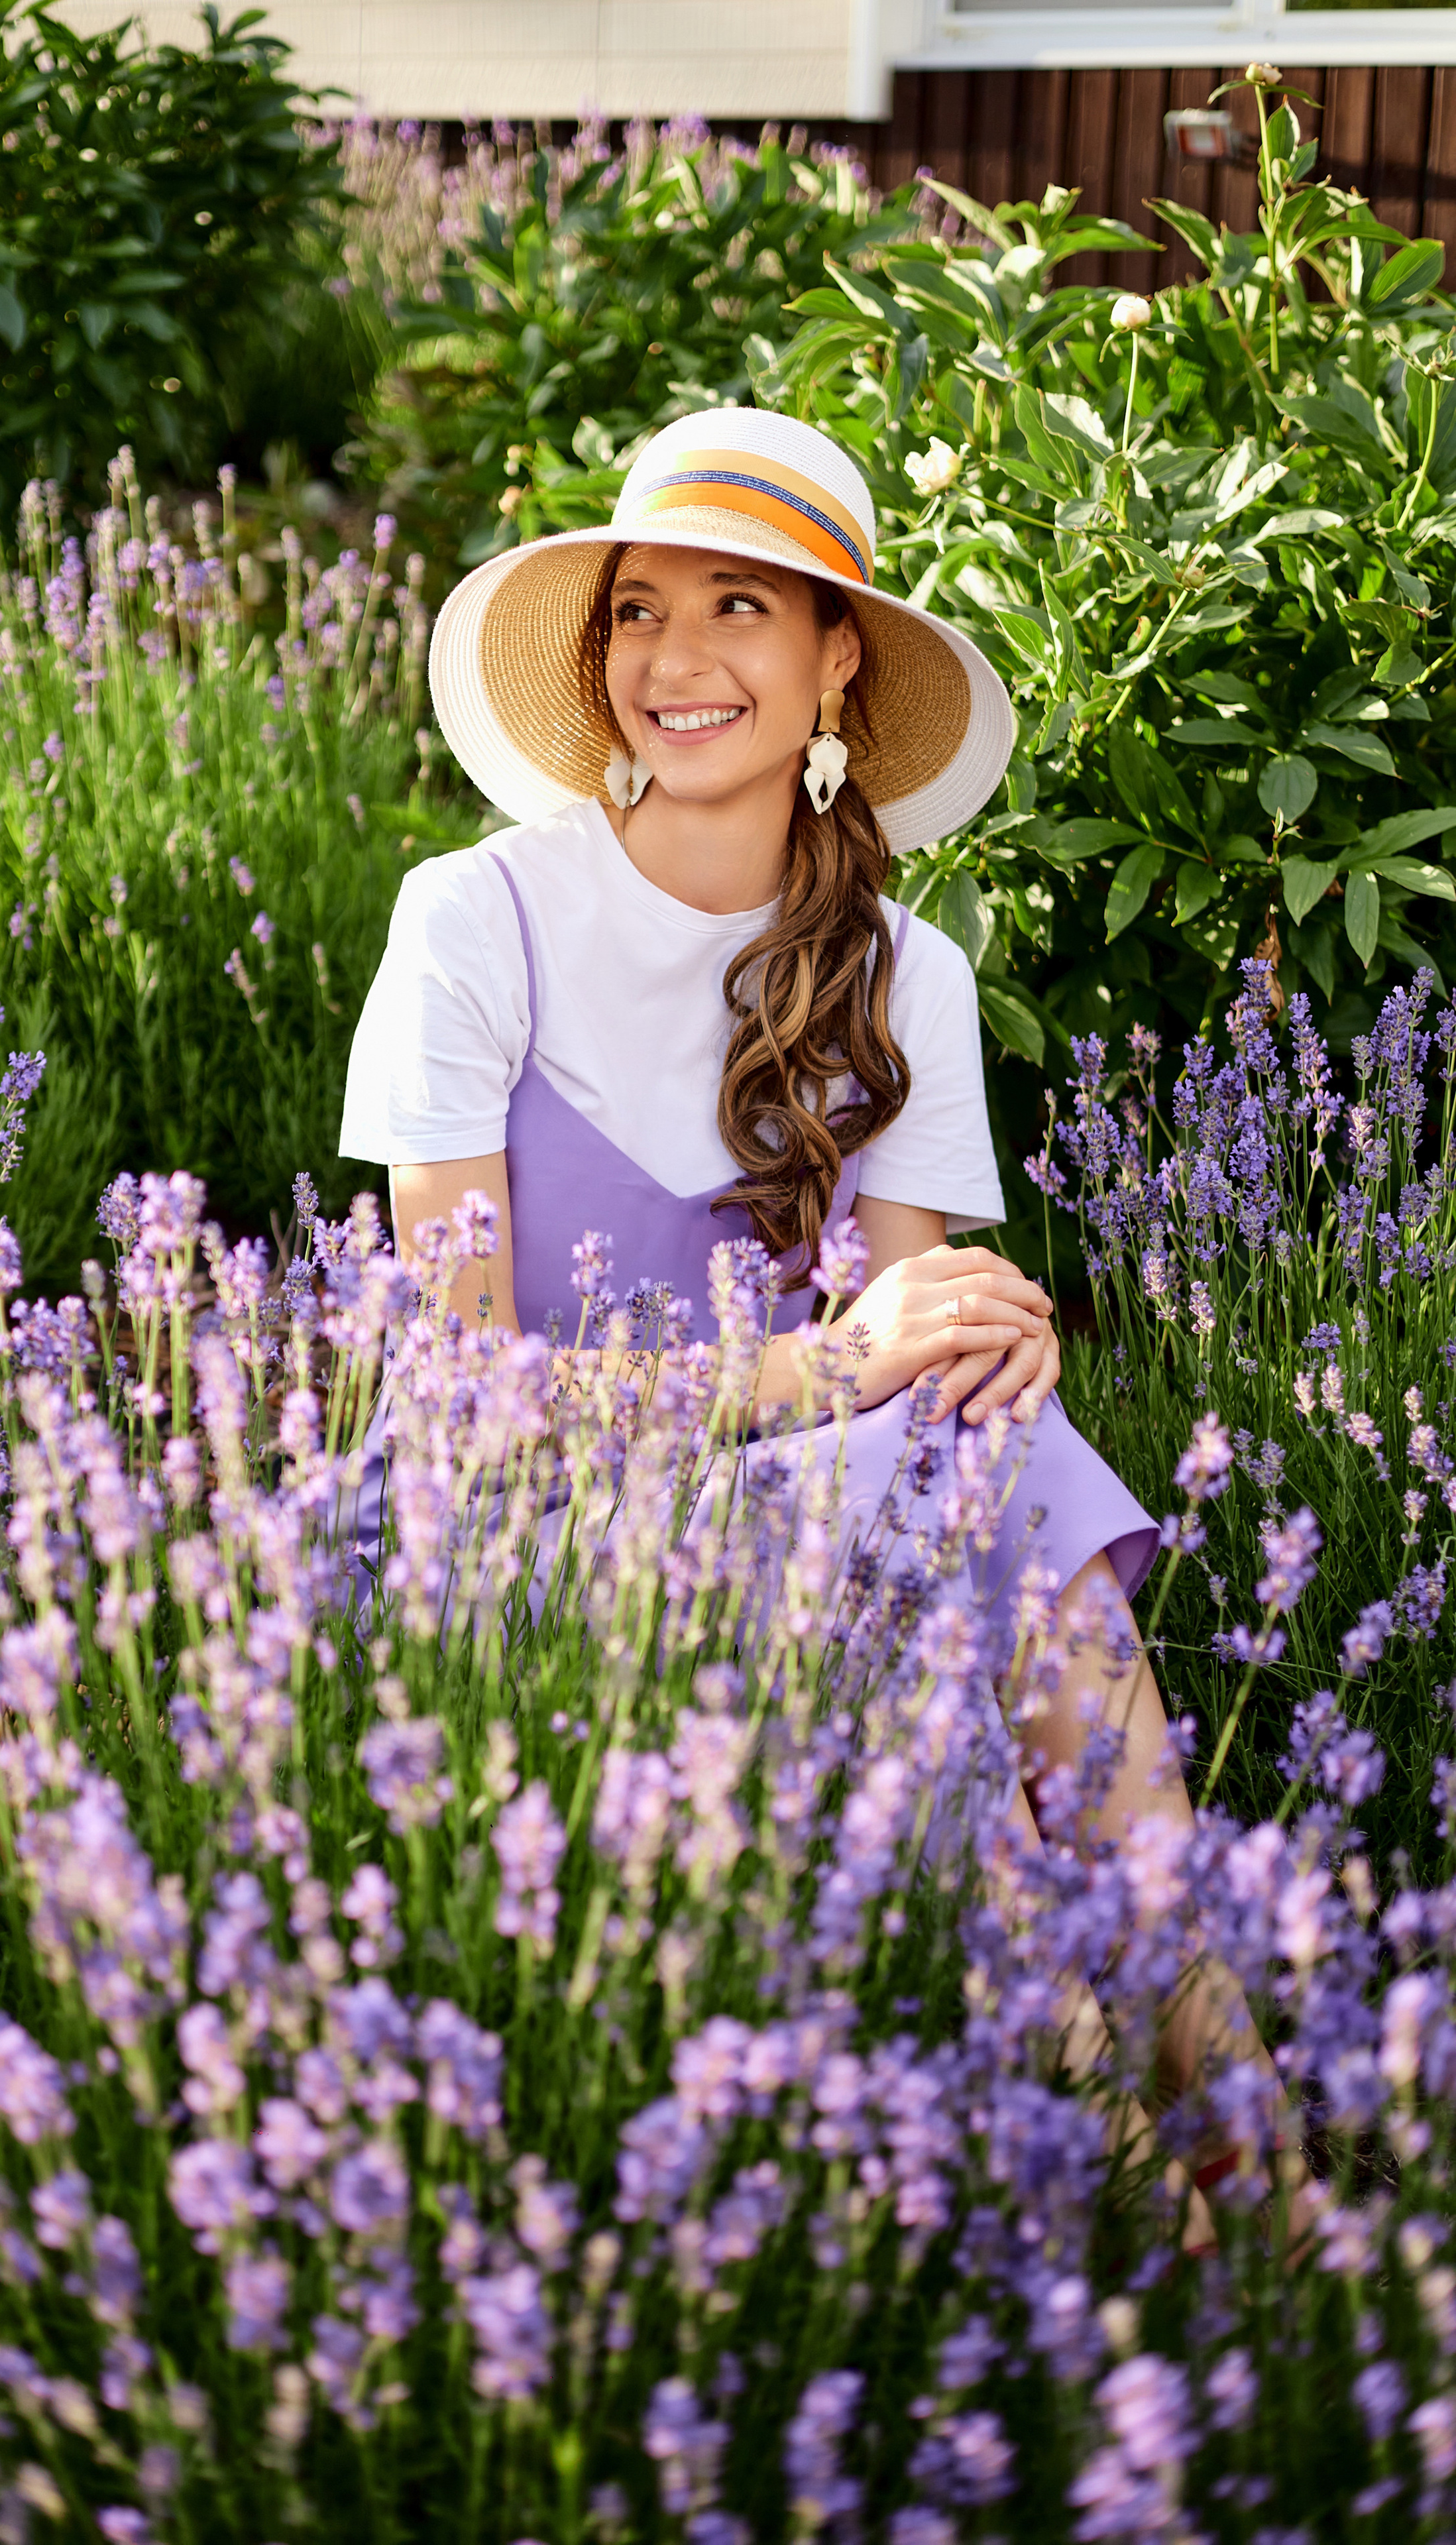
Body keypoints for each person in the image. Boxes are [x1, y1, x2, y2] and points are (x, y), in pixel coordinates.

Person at [341, 407, 1305, 2241]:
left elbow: (909, 1360)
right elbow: (460, 1407)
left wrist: (973, 1339)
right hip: (531, 1545)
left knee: (984, 1457)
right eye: (635, 612)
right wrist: (843, 1364)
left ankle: (1223, 2119)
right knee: (923, 1524)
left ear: (835, 657)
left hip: (813, 1505)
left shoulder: (905, 974)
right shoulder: (472, 924)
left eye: (738, 609)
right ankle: (1143, 2188)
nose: (674, 663)